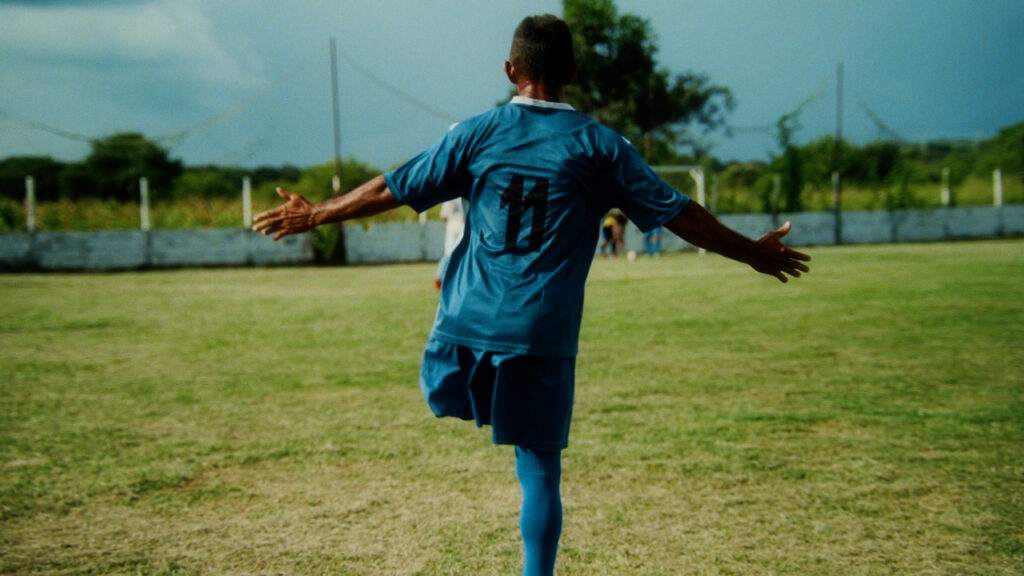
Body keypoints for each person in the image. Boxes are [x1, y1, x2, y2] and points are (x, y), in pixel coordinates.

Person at [253, 14, 809, 576]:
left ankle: (471, 392)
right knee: (539, 465)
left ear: (509, 70)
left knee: (458, 393)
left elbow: (394, 185)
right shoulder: (601, 146)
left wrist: (317, 212)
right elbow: (681, 213)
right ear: (571, 71)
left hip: (462, 323)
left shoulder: (476, 132)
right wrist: (751, 252)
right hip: (541, 328)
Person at [436, 197, 465, 289]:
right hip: (462, 224)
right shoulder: (464, 194)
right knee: (461, 253)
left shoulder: (450, 194)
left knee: (448, 253)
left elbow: (444, 215)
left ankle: (439, 278)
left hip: (451, 225)